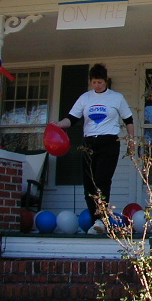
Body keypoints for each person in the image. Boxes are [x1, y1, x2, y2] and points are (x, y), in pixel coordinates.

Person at [53, 64, 135, 234]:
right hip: (89, 143)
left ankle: (102, 219)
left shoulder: (116, 98)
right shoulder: (85, 98)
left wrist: (131, 141)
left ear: (106, 81)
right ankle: (95, 221)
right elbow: (71, 119)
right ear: (91, 82)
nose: (97, 85)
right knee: (89, 184)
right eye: (94, 82)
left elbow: (129, 120)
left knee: (102, 180)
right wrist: (58, 125)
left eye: (100, 82)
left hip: (109, 142)